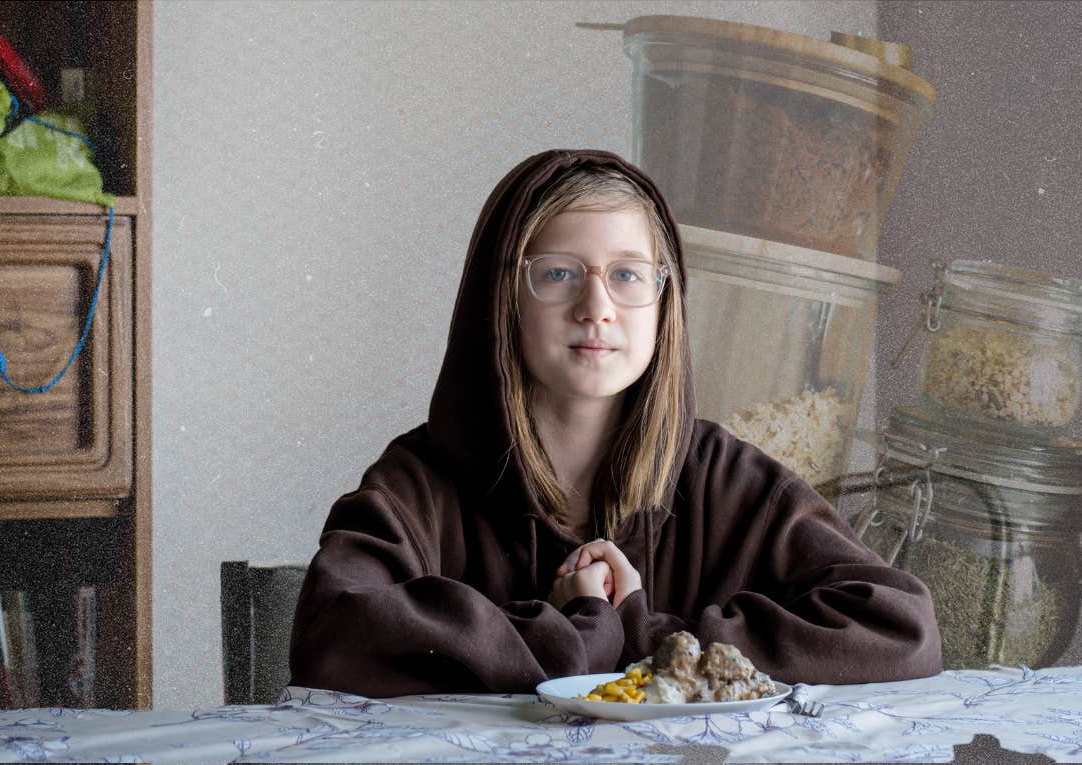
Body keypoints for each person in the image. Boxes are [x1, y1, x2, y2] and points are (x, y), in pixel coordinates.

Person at [288, 149, 941, 697]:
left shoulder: (724, 477)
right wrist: (578, 631)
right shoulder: (421, 481)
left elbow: (900, 626)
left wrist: (650, 637)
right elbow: (330, 634)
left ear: (665, 298)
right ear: (502, 297)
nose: (596, 306)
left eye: (627, 274)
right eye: (559, 273)